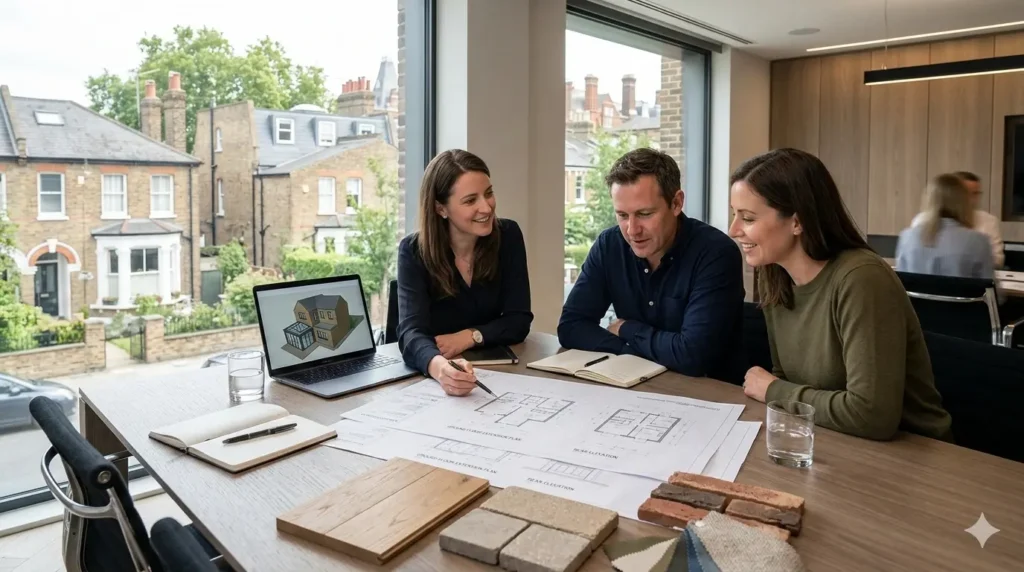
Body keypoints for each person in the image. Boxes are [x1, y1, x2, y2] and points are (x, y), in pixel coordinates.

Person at [729, 148, 952, 442]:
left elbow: (872, 416)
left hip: (917, 456)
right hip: (835, 440)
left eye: (747, 218)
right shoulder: (776, 274)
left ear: (797, 222)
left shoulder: (861, 278)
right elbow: (790, 381)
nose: (733, 230)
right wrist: (779, 392)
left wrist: (773, 391)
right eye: (735, 215)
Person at [557, 147, 745, 382]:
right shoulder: (610, 245)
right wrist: (633, 351)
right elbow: (571, 327)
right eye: (623, 215)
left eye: (644, 214)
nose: (632, 230)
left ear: (676, 203)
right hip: (633, 385)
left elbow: (694, 356)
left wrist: (627, 330)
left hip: (706, 394)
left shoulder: (716, 254)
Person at [396, 149, 533, 396]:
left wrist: (470, 336)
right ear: (440, 208)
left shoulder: (508, 236)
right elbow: (411, 333)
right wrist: (440, 369)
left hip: (501, 377)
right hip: (435, 384)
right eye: (470, 201)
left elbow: (519, 320)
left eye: (488, 194)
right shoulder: (413, 251)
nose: (486, 207)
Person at [896, 173, 994, 279]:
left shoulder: (906, 237)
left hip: (914, 296)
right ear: (964, 201)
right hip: (959, 294)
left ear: (929, 200)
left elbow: (899, 284)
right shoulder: (979, 241)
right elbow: (990, 290)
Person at [911, 171, 1004, 268]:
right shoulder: (921, 221)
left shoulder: (989, 221)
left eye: (976, 193)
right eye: (966, 193)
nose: (971, 199)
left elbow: (997, 259)